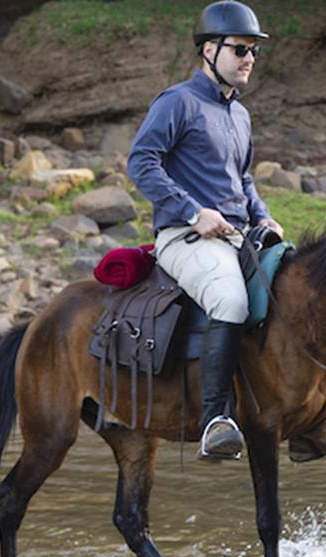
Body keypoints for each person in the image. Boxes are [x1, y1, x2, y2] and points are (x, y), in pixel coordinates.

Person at [127, 0, 283, 461]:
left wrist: (262, 214)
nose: (249, 59)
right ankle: (217, 419)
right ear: (210, 50)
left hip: (236, 235)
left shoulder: (241, 115)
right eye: (240, 49)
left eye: (253, 50)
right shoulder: (177, 101)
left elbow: (245, 180)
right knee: (231, 300)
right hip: (185, 237)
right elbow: (141, 162)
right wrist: (195, 212)